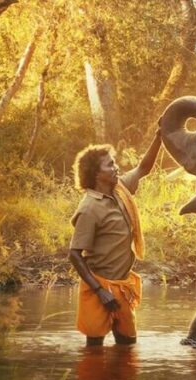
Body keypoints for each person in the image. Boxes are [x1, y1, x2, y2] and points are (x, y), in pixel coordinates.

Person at [69, 131, 162, 346]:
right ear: (96, 174)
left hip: (122, 286)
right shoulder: (89, 208)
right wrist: (100, 291)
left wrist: (158, 138)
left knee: (128, 347)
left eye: (114, 163)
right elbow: (74, 254)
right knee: (94, 352)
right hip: (99, 288)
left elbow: (143, 169)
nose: (116, 167)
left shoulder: (119, 190)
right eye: (110, 165)